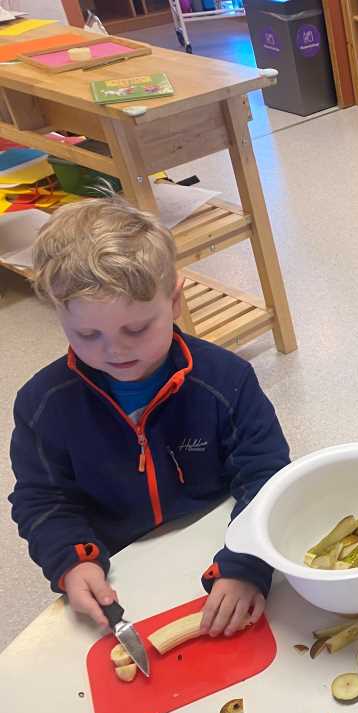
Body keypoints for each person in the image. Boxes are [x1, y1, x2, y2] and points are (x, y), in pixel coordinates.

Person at [9, 197, 292, 637]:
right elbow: (43, 500)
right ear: (59, 315)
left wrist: (247, 563)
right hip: (123, 573)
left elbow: (266, 475)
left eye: (137, 328)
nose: (115, 350)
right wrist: (71, 558)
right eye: (87, 334)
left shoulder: (226, 379)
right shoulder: (42, 406)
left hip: (221, 545)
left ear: (175, 300)